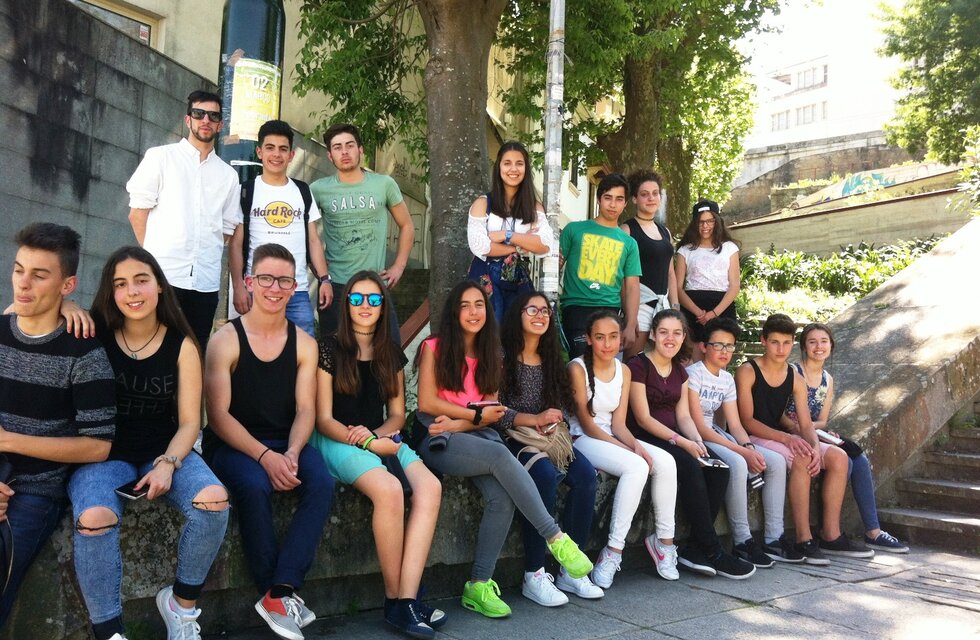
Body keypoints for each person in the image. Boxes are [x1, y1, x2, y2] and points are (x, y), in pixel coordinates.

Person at [70, 247, 229, 640]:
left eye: (141, 280)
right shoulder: (94, 335)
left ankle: (181, 606)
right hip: (103, 454)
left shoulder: (182, 344)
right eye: (120, 284)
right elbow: (20, 315)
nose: (132, 291)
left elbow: (190, 421)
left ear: (159, 285)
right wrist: (67, 306)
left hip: (164, 448)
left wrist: (168, 463)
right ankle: (109, 632)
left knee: (213, 500)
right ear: (111, 293)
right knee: (94, 518)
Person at [414, 281, 592, 619]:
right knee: (501, 455)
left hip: (472, 434)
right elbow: (427, 402)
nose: (473, 312)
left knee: (502, 498)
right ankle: (556, 537)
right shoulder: (433, 347)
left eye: (479, 304)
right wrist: (470, 417)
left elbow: (492, 412)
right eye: (465, 305)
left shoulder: (492, 354)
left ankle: (478, 585)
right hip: (437, 438)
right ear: (454, 312)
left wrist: (462, 422)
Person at [205, 243, 334, 640]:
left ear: (295, 287)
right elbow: (218, 416)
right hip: (233, 444)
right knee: (254, 484)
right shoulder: (225, 340)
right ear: (249, 281)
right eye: (266, 279)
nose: (274, 288)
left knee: (321, 480)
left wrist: (292, 452)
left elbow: (306, 409)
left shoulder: (305, 344)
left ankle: (282, 590)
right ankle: (271, 590)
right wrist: (265, 457)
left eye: (284, 281)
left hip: (284, 438)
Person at [311, 271, 445, 638]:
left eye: (374, 299)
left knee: (430, 487)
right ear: (346, 305)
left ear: (384, 306)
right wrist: (366, 443)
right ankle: (396, 600)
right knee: (389, 490)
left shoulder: (391, 353)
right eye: (356, 299)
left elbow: (398, 415)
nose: (365, 306)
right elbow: (323, 419)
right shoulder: (327, 348)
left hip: (380, 435)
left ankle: (408, 598)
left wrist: (376, 436)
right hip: (337, 439)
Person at [0, 223, 116, 627]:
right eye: (19, 270)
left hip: (35, 489)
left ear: (68, 285)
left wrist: (8, 441)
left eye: (39, 275)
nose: (23, 283)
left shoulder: (85, 355)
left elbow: (98, 446)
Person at [626, 309, 755, 579]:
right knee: (690, 467)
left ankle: (695, 548)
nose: (670, 338)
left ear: (684, 336)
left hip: (675, 435)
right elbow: (643, 418)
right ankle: (713, 550)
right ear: (653, 335)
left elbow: (683, 416)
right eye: (664, 332)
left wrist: (697, 441)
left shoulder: (680, 372)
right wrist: (682, 442)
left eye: (676, 333)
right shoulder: (638, 366)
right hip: (644, 436)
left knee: (718, 468)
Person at [735, 314, 868, 565]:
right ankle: (803, 539)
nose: (781, 349)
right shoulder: (747, 371)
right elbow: (747, 420)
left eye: (786, 343)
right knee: (802, 457)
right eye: (775, 342)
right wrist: (788, 439)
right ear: (763, 340)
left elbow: (806, 425)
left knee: (838, 457)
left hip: (782, 437)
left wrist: (816, 447)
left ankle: (831, 534)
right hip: (755, 436)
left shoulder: (795, 377)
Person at [498, 291, 601, 605]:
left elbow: (562, 405)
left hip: (549, 437)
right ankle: (534, 573)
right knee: (542, 475)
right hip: (512, 437)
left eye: (545, 311)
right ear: (517, 315)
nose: (540, 315)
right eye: (532, 310)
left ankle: (571, 570)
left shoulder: (553, 358)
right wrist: (533, 419)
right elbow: (494, 411)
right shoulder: (502, 357)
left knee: (586, 475)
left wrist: (554, 420)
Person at [567, 311, 681, 587]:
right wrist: (629, 451)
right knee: (637, 466)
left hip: (610, 436)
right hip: (582, 438)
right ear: (589, 339)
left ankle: (664, 543)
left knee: (665, 462)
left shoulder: (624, 370)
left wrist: (635, 445)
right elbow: (588, 424)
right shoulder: (577, 368)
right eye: (600, 337)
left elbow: (618, 424)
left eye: (613, 337)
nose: (607, 344)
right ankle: (612, 551)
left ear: (621, 339)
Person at [126, 90, 241, 350]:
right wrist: (156, 257)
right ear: (188, 119)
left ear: (220, 125)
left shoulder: (228, 175)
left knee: (194, 351)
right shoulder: (160, 157)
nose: (206, 120)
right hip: (163, 278)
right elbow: (137, 213)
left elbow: (226, 230)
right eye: (199, 114)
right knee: (154, 348)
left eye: (213, 116)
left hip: (205, 284)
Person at [784, 323, 908, 554]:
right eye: (812, 342)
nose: (818, 347)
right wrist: (800, 427)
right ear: (803, 346)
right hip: (790, 431)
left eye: (824, 341)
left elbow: (822, 420)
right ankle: (830, 532)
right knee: (845, 460)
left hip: (813, 432)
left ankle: (873, 531)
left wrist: (819, 432)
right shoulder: (792, 372)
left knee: (859, 459)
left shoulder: (827, 379)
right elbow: (778, 413)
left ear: (831, 345)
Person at [685, 317, 789, 568]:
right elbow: (700, 427)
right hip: (694, 436)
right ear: (703, 346)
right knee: (738, 462)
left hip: (717, 434)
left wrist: (749, 447)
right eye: (718, 345)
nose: (725, 351)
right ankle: (742, 540)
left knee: (775, 461)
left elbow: (736, 424)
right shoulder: (693, 374)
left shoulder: (726, 379)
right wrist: (741, 452)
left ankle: (774, 538)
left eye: (729, 346)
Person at [311, 123, 416, 335]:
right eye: (337, 147)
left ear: (360, 150)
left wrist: (398, 266)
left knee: (389, 349)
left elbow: (407, 225)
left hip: (374, 284)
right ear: (330, 156)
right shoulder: (317, 189)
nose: (344, 152)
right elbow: (306, 236)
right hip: (336, 287)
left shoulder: (384, 184)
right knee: (335, 351)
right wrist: (320, 274)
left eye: (350, 145)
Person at [230, 119, 331, 337]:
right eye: (270, 148)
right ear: (259, 152)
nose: (276, 154)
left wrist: (324, 279)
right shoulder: (245, 191)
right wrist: (238, 286)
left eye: (283, 149)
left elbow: (314, 240)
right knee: (253, 350)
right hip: (257, 289)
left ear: (291, 155)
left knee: (303, 349)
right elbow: (236, 244)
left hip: (297, 290)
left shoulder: (302, 191)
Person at [467, 142, 556, 322]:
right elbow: (480, 246)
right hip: (485, 276)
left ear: (526, 168)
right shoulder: (483, 203)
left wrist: (507, 236)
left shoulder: (534, 207)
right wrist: (520, 246)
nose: (513, 169)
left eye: (519, 163)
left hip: (518, 278)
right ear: (499, 167)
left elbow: (545, 245)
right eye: (507, 163)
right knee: (489, 329)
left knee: (517, 329)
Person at [559, 173, 641, 358]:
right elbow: (555, 266)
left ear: (625, 203)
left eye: (619, 199)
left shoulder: (629, 243)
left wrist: (630, 324)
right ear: (598, 199)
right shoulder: (573, 230)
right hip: (576, 308)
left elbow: (632, 287)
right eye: (608, 198)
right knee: (580, 365)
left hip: (610, 310)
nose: (613, 204)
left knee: (606, 366)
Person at [622, 171, 678, 358]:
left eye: (655, 193)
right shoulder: (627, 230)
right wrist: (630, 317)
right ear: (634, 199)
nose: (651, 198)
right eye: (644, 194)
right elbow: (622, 278)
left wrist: (675, 308)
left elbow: (670, 273)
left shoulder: (665, 232)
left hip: (664, 306)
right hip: (639, 306)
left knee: (662, 362)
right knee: (633, 362)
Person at [675, 199, 740, 354]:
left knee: (720, 356)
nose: (705, 226)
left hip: (722, 308)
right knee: (693, 359)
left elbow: (735, 285)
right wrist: (699, 313)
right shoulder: (685, 250)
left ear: (717, 222)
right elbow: (677, 287)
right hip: (693, 309)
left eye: (710, 221)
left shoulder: (730, 248)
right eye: (701, 222)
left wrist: (714, 314)